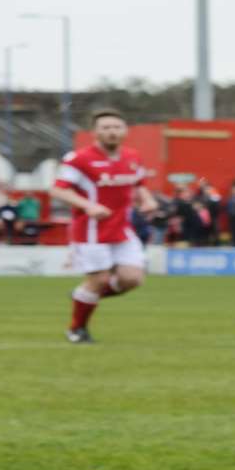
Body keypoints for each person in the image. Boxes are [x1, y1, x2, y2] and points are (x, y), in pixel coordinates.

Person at [49, 110, 155, 344]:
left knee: (132, 279)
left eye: (117, 127)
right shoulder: (78, 159)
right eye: (106, 127)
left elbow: (138, 185)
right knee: (99, 280)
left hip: (122, 229)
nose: (112, 131)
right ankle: (77, 329)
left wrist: (146, 200)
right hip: (91, 232)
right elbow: (57, 189)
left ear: (125, 131)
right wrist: (88, 206)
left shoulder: (132, 157)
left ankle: (83, 296)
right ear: (95, 132)